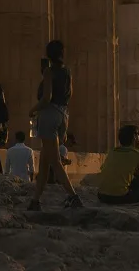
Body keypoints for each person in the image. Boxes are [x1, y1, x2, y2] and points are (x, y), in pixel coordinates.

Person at [28, 39, 80, 211]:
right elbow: (69, 95)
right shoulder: (67, 72)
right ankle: (35, 201)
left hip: (49, 114)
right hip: (63, 115)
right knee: (44, 162)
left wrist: (33, 110)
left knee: (55, 161)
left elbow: (46, 98)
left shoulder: (49, 71)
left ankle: (73, 197)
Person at [97, 124, 139, 209]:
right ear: (134, 137)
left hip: (102, 196)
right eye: (138, 134)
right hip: (119, 197)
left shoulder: (112, 151)